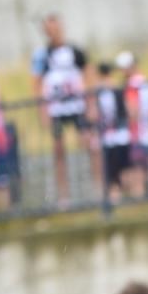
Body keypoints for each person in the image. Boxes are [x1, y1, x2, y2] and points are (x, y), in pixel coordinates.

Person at [32, 14, 97, 205]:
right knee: (59, 152)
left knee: (90, 145)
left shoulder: (75, 51)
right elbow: (36, 83)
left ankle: (100, 189)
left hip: (77, 105)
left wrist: (90, 104)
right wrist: (42, 110)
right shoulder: (42, 56)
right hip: (56, 108)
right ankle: (64, 197)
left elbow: (88, 75)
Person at [118, 52, 148, 200]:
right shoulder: (146, 83)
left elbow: (133, 111)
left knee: (134, 179)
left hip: (136, 135)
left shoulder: (132, 86)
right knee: (145, 176)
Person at [92, 62, 131, 204]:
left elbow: (95, 115)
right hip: (121, 135)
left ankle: (116, 200)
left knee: (112, 175)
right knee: (123, 171)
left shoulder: (98, 91)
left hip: (109, 137)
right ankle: (126, 200)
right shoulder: (116, 89)